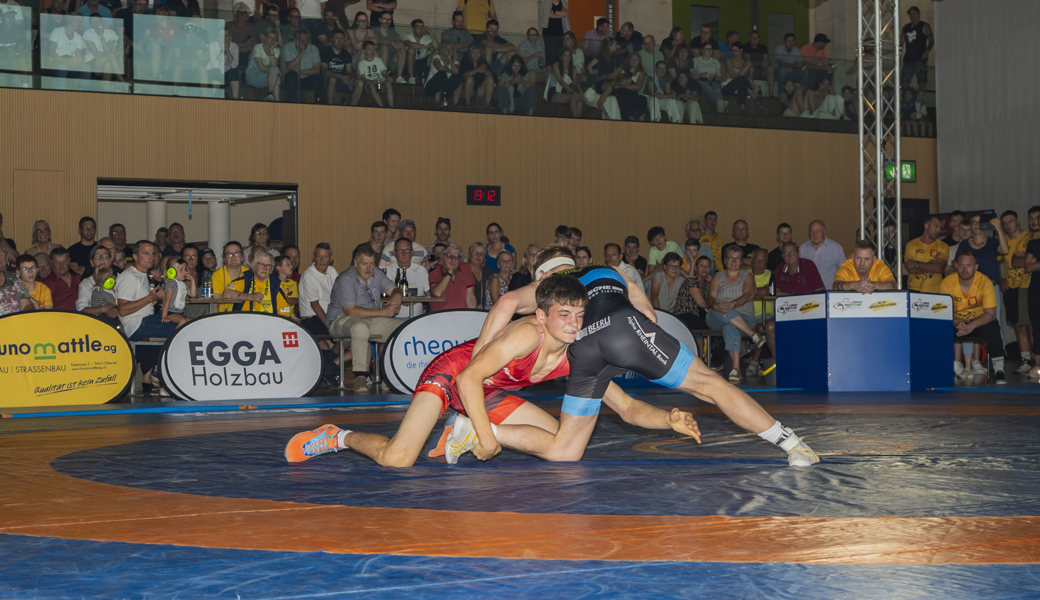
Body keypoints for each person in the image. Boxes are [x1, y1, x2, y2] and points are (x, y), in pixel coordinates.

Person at [454, 248, 817, 467]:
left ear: (545, 273)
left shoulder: (549, 289)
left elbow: (504, 303)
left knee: (565, 450)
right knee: (710, 385)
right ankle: (791, 443)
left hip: (581, 350)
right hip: (622, 330)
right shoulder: (605, 271)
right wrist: (639, 347)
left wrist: (480, 360)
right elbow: (651, 317)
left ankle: (481, 432)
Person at [283, 274, 595, 466]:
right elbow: (467, 375)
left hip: (484, 389)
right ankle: (337, 437)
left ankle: (461, 432)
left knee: (559, 440)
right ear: (542, 315)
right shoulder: (528, 333)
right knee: (398, 459)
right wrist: (486, 437)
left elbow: (618, 400)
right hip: (452, 374)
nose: (572, 324)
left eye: (578, 315)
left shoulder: (575, 346)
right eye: (565, 314)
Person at [326, 243, 402, 392]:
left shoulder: (376, 274)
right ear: (356, 263)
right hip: (340, 320)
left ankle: (390, 374)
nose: (369, 268)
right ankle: (360, 376)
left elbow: (394, 289)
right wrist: (384, 312)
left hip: (370, 319)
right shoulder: (346, 279)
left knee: (401, 327)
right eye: (364, 264)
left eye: (372, 264)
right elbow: (351, 311)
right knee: (360, 327)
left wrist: (397, 296)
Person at [115, 241, 176, 396]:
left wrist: (153, 299)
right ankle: (167, 379)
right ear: (135, 256)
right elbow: (122, 309)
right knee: (182, 328)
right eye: (146, 253)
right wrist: (150, 298)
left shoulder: (142, 275)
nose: (151, 257)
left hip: (145, 321)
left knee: (183, 323)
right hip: (138, 325)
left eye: (153, 253)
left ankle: (161, 377)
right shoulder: (130, 277)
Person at [942, 250, 1006, 384]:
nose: (964, 269)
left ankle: (1000, 371)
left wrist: (972, 325)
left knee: (993, 327)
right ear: (956, 265)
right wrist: (957, 322)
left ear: (976, 267)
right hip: (956, 322)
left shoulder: (985, 282)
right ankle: (942, 367)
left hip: (977, 322)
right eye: (961, 265)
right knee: (938, 329)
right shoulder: (947, 283)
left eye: (969, 265)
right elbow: (943, 312)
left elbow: (990, 313)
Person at [707, 245, 766, 382]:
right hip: (717, 315)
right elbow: (710, 298)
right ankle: (753, 335)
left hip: (743, 317)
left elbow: (748, 295)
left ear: (741, 261)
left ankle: (736, 369)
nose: (734, 262)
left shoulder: (747, 276)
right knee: (723, 313)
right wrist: (716, 306)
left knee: (730, 326)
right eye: (731, 258)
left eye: (737, 258)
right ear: (725, 261)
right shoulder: (718, 276)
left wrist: (732, 304)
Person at [223, 250, 293, 317]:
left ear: (271, 269)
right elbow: (226, 294)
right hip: (244, 323)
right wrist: (250, 297)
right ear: (254, 266)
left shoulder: (275, 283)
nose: (265, 268)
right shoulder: (245, 279)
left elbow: (284, 310)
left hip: (268, 324)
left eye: (268, 265)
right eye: (262, 264)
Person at [381, 237, 429, 318]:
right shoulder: (387, 271)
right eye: (400, 250)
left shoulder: (421, 270)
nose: (403, 253)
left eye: (407, 250)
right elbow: (383, 297)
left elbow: (428, 295)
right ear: (394, 253)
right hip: (394, 319)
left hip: (417, 318)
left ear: (412, 252)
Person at [904, 215, 948, 293]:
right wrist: (931, 265)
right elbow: (910, 269)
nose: (938, 230)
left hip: (936, 292)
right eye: (936, 226)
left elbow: (938, 268)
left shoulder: (943, 246)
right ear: (926, 225)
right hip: (914, 290)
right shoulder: (911, 245)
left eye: (940, 227)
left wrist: (916, 264)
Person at [832, 240, 896, 292]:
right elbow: (835, 286)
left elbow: (893, 285)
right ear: (853, 257)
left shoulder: (879, 266)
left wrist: (873, 285)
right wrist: (853, 285)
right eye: (858, 258)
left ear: (874, 260)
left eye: (867, 259)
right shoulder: (847, 267)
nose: (862, 263)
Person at [429, 244, 476, 310]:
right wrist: (450, 272)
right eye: (449, 256)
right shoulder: (434, 273)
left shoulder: (465, 268)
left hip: (461, 315)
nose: (453, 259)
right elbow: (438, 293)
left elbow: (470, 297)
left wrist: (471, 316)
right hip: (440, 315)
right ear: (443, 257)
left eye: (457, 257)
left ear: (460, 260)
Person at [799, 219, 844, 287]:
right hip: (808, 294)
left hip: (829, 292)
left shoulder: (836, 248)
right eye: (812, 232)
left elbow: (844, 271)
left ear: (824, 232)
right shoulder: (802, 248)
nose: (815, 235)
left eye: (818, 231)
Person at [900, 5, 933, 91]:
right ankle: (905, 103)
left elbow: (931, 40)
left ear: (918, 14)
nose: (912, 16)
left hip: (920, 59)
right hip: (908, 59)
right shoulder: (906, 27)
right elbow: (901, 43)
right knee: (904, 84)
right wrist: (898, 53)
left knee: (922, 84)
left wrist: (927, 51)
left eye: (914, 13)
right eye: (910, 14)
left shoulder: (924, 25)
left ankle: (921, 103)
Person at [211, 241, 249, 313]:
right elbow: (215, 302)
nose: (233, 256)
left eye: (237, 253)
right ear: (224, 259)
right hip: (223, 315)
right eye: (229, 254)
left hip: (244, 314)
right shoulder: (217, 275)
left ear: (242, 257)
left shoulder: (249, 273)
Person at [159, 255, 195, 327]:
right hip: (169, 312)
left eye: (185, 269)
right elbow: (167, 300)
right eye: (181, 270)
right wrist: (164, 316)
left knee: (193, 321)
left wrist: (192, 280)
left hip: (179, 313)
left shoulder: (182, 284)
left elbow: (192, 294)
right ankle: (173, 338)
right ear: (171, 272)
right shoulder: (171, 283)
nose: (184, 272)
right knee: (183, 321)